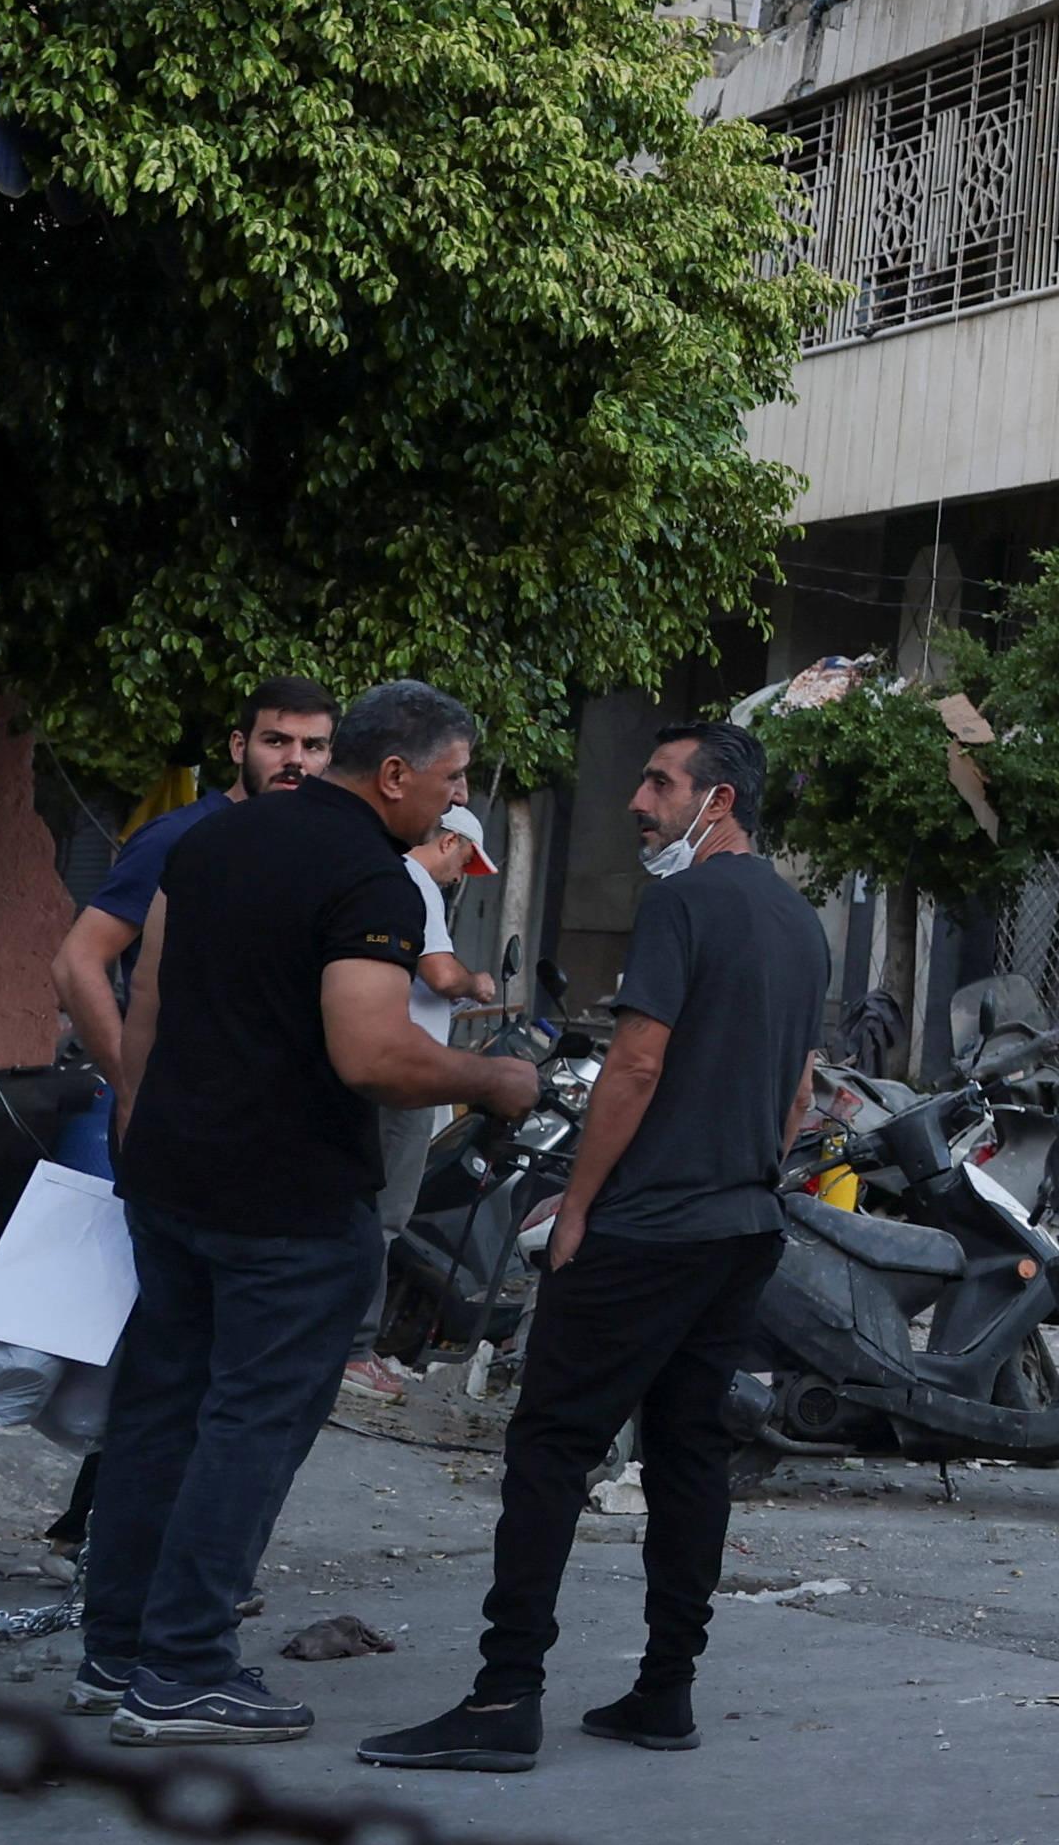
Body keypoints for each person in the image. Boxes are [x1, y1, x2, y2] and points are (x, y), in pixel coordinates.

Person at [362, 722, 826, 1773]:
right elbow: (798, 1091)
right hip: (742, 1226)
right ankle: (666, 1690)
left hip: (648, 1227)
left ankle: (503, 1695)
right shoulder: (799, 923)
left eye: (660, 782)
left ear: (719, 800)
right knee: (688, 1451)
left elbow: (634, 1067)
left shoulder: (682, 903)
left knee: (549, 1449)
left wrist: (577, 1208)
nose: (637, 800)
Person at [82, 681, 537, 1746]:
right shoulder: (362, 872)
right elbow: (371, 1053)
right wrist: (491, 1080)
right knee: (247, 1422)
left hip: (173, 1178)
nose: (455, 797)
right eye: (452, 776)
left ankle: (116, 1652)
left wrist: (144, 1143)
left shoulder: (209, 842)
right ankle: (186, 1664)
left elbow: (144, 1010)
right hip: (284, 1201)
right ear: (393, 774)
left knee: (159, 1411)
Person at [47, 675, 340, 1181]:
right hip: (174, 1117)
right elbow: (77, 962)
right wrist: (131, 1087)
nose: (296, 760)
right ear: (238, 745)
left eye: (313, 746)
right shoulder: (179, 836)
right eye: (277, 741)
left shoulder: (315, 850)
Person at [355, 801, 511, 1382]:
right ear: (448, 842)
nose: (457, 877)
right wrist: (478, 982)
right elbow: (442, 975)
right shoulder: (419, 884)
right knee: (386, 1215)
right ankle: (354, 1351)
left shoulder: (386, 875)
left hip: (375, 1063)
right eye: (462, 863)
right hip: (406, 1076)